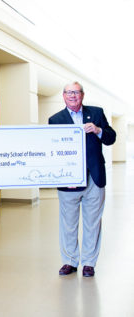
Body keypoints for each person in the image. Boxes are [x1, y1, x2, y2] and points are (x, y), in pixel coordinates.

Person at [48, 81, 116, 277]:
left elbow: (111, 138)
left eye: (76, 92)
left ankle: (89, 263)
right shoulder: (55, 119)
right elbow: (52, 151)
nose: (73, 96)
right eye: (69, 92)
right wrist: (61, 175)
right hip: (68, 181)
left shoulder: (96, 113)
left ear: (82, 95)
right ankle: (70, 261)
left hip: (94, 179)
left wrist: (98, 130)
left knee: (92, 223)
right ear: (63, 96)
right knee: (68, 224)